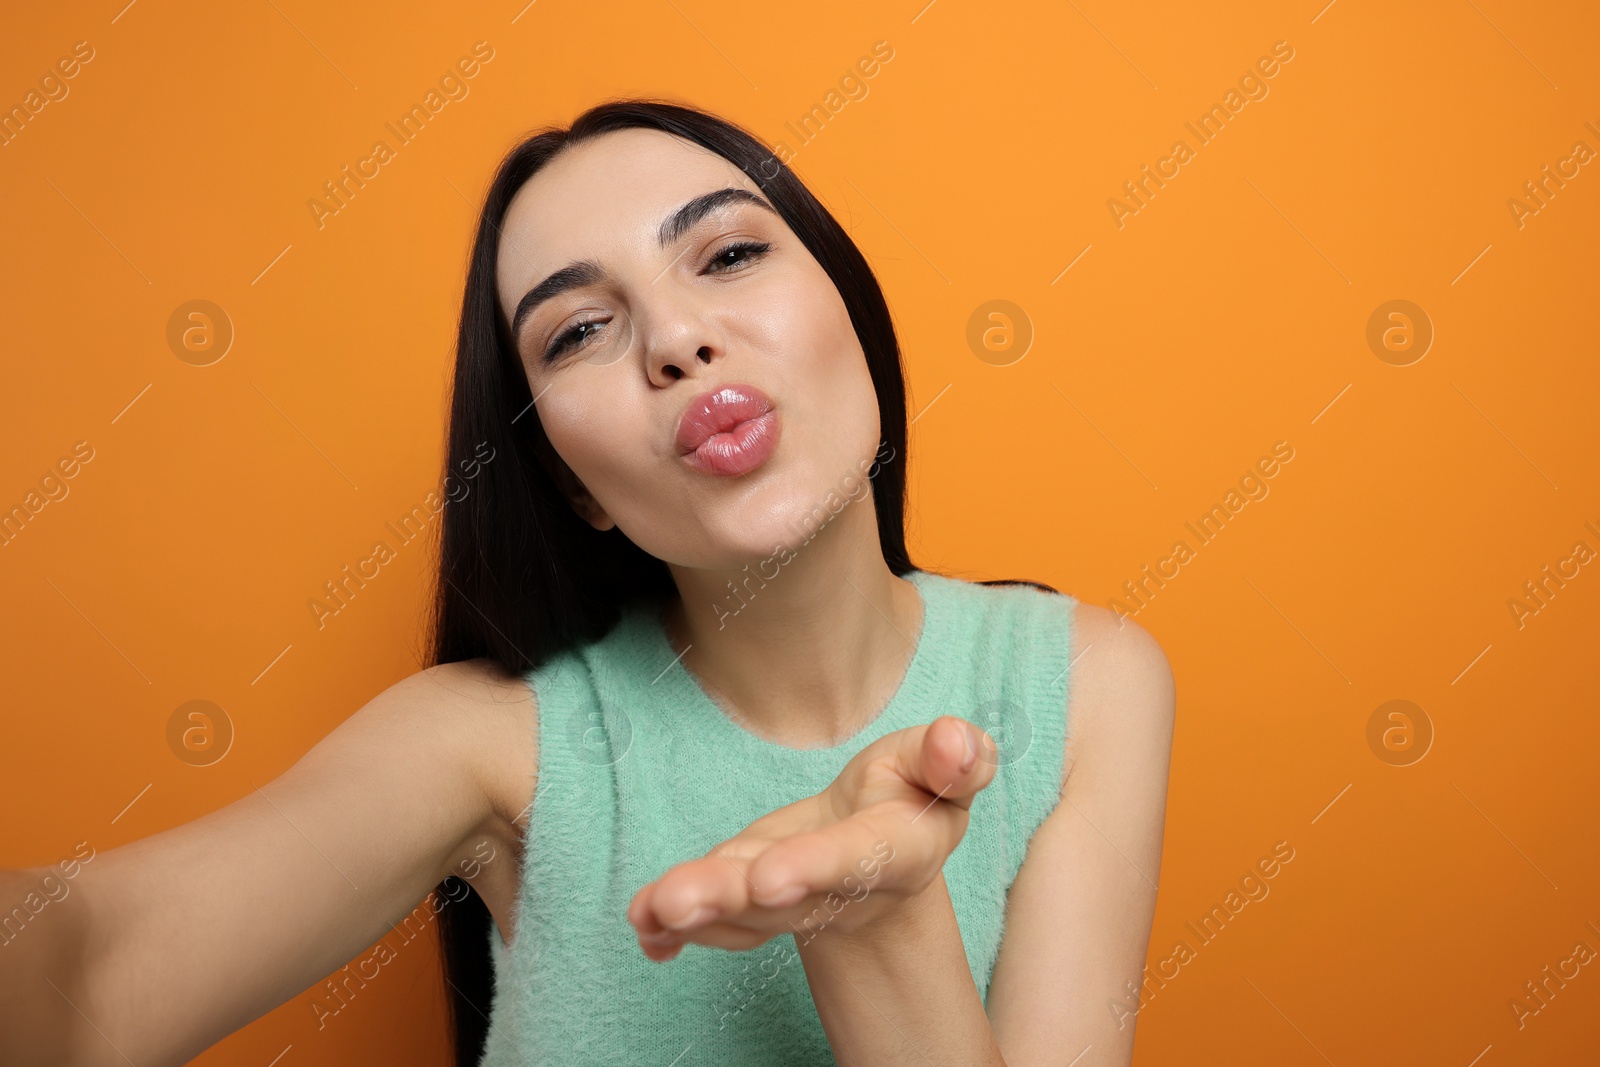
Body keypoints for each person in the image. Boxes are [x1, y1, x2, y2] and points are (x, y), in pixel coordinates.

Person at [0, 99, 1174, 1067]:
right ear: (576, 487)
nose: (675, 337)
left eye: (727, 253)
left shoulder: (1081, 681)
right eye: (577, 332)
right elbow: (90, 960)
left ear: (852, 315)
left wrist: (877, 927)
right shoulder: (490, 742)